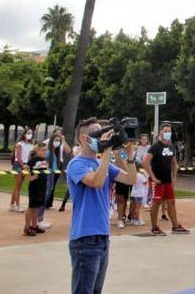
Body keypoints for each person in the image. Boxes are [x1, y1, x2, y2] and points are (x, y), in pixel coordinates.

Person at [66, 117, 138, 294]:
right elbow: (96, 181)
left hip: (102, 237)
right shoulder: (76, 164)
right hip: (85, 239)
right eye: (98, 134)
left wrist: (129, 156)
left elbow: (131, 179)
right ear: (84, 139)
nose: (104, 137)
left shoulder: (101, 163)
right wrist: (107, 150)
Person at [143, 123, 188, 236]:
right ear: (160, 133)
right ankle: (154, 228)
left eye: (169, 131)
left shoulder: (171, 147)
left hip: (167, 180)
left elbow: (174, 163)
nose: (167, 133)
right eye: (165, 131)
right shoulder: (155, 147)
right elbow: (145, 162)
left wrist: (174, 178)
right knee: (157, 202)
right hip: (157, 180)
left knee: (171, 202)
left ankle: (175, 226)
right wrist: (152, 177)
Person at [24, 142, 49, 236]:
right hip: (34, 187)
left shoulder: (44, 160)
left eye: (46, 150)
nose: (45, 152)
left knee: (36, 207)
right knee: (31, 207)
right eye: (43, 150)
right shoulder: (34, 159)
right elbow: (25, 168)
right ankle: (26, 227)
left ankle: (34, 226)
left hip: (41, 187)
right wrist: (29, 178)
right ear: (37, 151)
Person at [47, 130, 72, 219]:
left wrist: (63, 140)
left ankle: (49, 203)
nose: (59, 135)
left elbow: (68, 151)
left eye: (60, 133)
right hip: (50, 164)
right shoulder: (48, 142)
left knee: (53, 184)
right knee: (49, 184)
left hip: (58, 164)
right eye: (57, 133)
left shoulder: (61, 143)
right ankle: (45, 202)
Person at [10, 129, 33, 213]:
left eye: (31, 133)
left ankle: (12, 205)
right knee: (17, 186)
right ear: (24, 134)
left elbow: (30, 157)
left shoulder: (31, 145)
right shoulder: (20, 144)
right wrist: (23, 166)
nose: (30, 134)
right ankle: (17, 206)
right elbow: (19, 157)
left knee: (18, 186)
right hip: (18, 165)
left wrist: (28, 166)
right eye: (28, 133)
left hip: (26, 165)